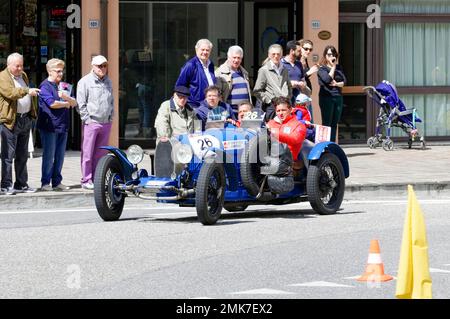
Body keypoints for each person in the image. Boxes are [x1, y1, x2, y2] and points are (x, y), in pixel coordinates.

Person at [0, 52, 40, 195]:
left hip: (25, 119)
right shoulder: (2, 77)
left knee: (22, 155)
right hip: (10, 120)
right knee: (8, 155)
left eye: (21, 65)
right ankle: (5, 185)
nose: (20, 68)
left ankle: (21, 184)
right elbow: (11, 93)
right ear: (9, 65)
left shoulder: (23, 76)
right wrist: (27, 90)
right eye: (17, 65)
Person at [37, 58, 77, 191]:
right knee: (49, 155)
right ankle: (45, 183)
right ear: (50, 71)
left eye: (62, 71)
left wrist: (66, 98)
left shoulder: (63, 85)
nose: (61, 74)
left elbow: (75, 103)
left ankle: (57, 181)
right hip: (49, 126)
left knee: (60, 155)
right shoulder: (44, 86)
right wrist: (66, 103)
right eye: (58, 71)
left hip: (62, 125)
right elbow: (52, 103)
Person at [76, 55, 114, 190]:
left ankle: (97, 179)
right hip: (92, 122)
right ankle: (86, 179)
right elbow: (80, 103)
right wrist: (87, 120)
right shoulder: (85, 82)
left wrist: (110, 117)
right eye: (99, 66)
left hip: (105, 123)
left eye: (104, 65)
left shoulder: (108, 81)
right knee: (87, 153)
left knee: (100, 154)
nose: (102, 68)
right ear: (93, 66)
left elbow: (112, 101)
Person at [253, 44, 292, 122]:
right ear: (269, 55)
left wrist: (288, 98)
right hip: (271, 107)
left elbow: (289, 86)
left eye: (278, 54)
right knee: (272, 130)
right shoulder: (264, 70)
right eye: (273, 54)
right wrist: (269, 100)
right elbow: (257, 91)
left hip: (284, 106)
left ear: (281, 55)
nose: (276, 56)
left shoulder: (284, 69)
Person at [317, 45, 346, 143]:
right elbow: (327, 79)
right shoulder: (322, 69)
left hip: (338, 97)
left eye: (333, 54)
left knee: (334, 123)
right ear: (325, 56)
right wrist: (333, 67)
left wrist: (337, 84)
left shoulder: (339, 67)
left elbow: (344, 81)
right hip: (326, 98)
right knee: (327, 123)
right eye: (329, 54)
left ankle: (332, 145)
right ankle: (325, 146)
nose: (331, 56)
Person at [175, 39, 216, 108]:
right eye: (202, 50)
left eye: (207, 50)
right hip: (195, 106)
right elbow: (180, 86)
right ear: (196, 50)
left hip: (210, 105)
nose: (205, 52)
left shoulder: (211, 64)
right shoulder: (190, 65)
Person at [266, 96, 307, 162]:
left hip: (287, 161)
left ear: (290, 109)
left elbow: (295, 139)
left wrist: (274, 133)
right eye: (278, 111)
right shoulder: (271, 123)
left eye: (283, 110)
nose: (281, 113)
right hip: (269, 157)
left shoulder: (299, 125)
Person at [215, 45, 252, 116]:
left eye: (239, 58)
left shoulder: (244, 73)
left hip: (245, 113)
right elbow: (218, 96)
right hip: (229, 113)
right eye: (234, 57)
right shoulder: (219, 73)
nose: (236, 60)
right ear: (228, 57)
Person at [281, 40, 308, 105]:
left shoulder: (299, 64)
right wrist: (293, 83)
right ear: (291, 51)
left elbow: (303, 79)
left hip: (298, 100)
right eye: (298, 51)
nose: (300, 53)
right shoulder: (281, 64)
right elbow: (278, 82)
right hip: (284, 99)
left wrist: (303, 84)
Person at [298, 39, 319, 120]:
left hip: (306, 94)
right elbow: (298, 77)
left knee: (309, 119)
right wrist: (309, 72)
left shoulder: (304, 60)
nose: (308, 51)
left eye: (310, 49)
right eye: (306, 49)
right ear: (300, 48)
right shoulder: (296, 61)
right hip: (299, 96)